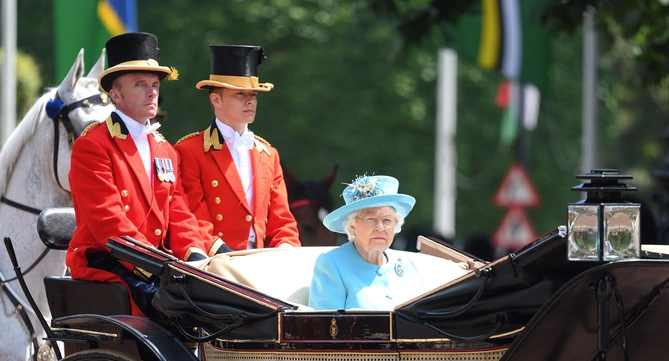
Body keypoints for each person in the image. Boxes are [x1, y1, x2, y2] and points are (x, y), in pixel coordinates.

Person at [67, 32, 220, 317]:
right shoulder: (93, 145)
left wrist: (195, 255)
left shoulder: (164, 149)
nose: (152, 92)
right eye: (140, 84)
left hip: (156, 262)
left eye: (154, 84)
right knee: (178, 310)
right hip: (109, 259)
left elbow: (178, 210)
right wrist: (159, 266)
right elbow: (109, 223)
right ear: (115, 94)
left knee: (217, 302)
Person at [175, 45, 300, 251]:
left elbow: (282, 221)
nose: (250, 100)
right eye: (240, 94)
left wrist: (285, 248)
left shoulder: (268, 154)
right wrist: (220, 252)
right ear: (216, 99)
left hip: (261, 262)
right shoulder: (189, 150)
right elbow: (193, 215)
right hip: (214, 262)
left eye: (254, 94)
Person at [308, 175, 425, 310]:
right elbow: (323, 326)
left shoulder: (408, 264)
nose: (380, 228)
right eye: (370, 219)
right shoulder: (332, 264)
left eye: (387, 220)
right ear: (352, 226)